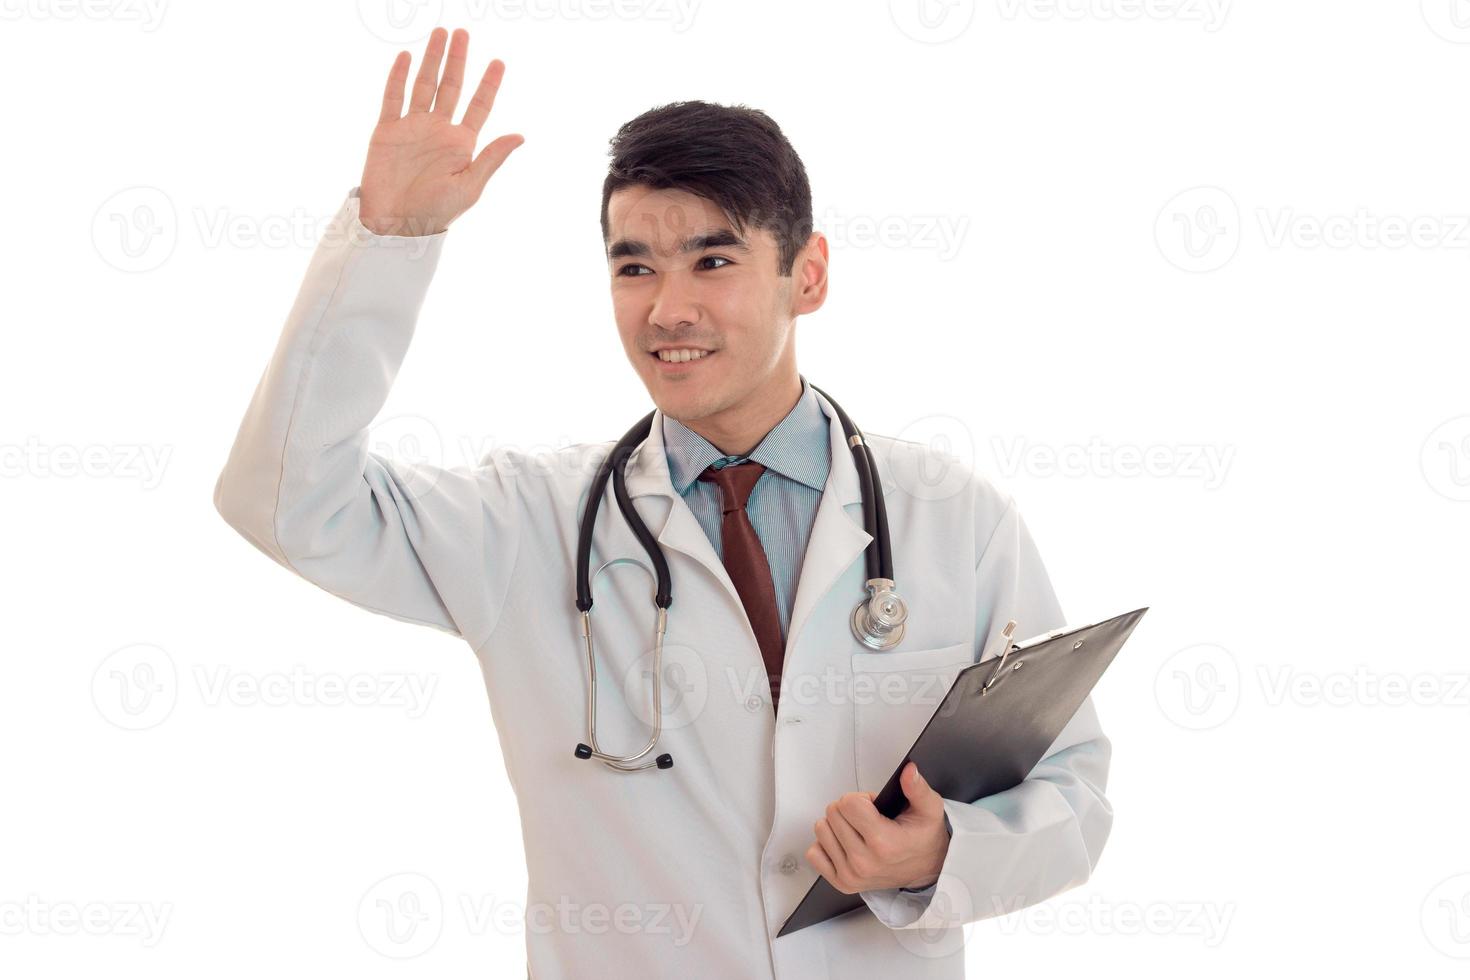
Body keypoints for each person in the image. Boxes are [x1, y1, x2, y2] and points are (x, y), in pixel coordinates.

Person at [212, 26, 1113, 978]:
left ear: (805, 275)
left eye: (711, 262)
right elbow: (283, 499)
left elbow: (1074, 792)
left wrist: (940, 854)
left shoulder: (952, 518)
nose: (666, 310)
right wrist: (388, 242)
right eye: (633, 266)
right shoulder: (529, 522)